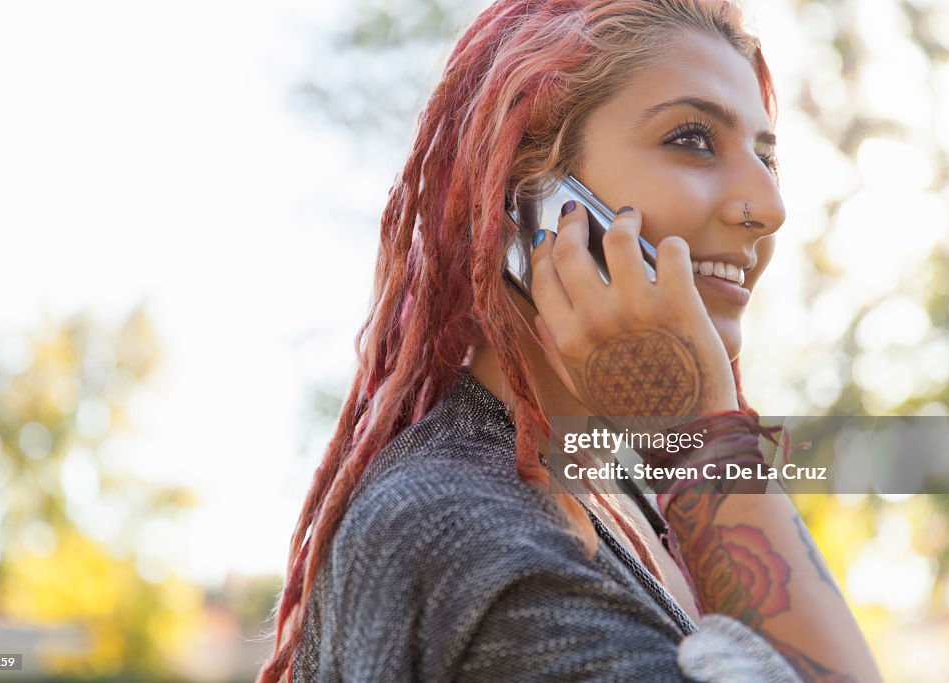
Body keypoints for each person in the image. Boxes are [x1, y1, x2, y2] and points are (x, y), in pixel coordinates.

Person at [258, 0, 884, 680]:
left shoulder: (622, 497)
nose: (768, 207)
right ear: (530, 198)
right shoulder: (469, 528)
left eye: (766, 156)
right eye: (694, 138)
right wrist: (702, 430)